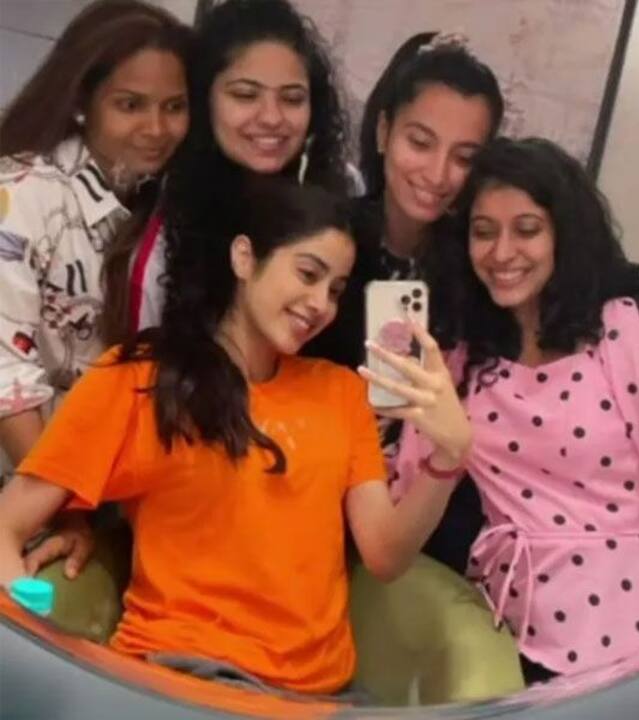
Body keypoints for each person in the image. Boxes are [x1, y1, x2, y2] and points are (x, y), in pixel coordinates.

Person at [0, 179, 471, 698]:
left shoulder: (340, 393)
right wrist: (29, 648)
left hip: (321, 696)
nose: (321, 304)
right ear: (244, 257)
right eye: (308, 274)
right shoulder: (139, 378)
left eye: (336, 290)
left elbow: (385, 554)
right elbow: (7, 524)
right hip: (183, 677)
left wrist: (448, 457)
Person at [305, 31, 639, 576]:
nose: (437, 174)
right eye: (420, 142)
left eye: (464, 156)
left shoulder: (486, 259)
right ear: (384, 132)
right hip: (322, 485)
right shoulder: (330, 240)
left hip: (446, 524)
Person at [387, 137, 639, 682]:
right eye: (483, 231)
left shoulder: (624, 324)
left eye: (527, 229)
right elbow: (406, 492)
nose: (502, 253)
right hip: (531, 638)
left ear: (563, 233)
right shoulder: (456, 363)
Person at [0, 0, 191, 571]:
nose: (157, 129)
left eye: (175, 107)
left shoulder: (163, 202)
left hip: (94, 491)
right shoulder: (21, 194)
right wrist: (61, 512)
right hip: (23, 489)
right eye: (130, 105)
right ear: (83, 103)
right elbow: (7, 379)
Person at [126, 0, 350, 340]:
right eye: (245, 95)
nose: (271, 117)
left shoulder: (341, 190)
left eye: (292, 99)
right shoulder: (166, 233)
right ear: (203, 100)